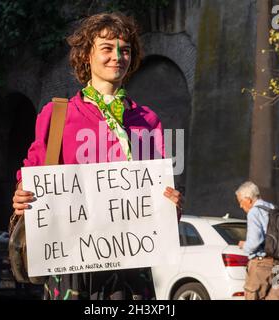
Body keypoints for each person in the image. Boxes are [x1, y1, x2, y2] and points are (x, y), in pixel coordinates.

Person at [12, 12, 183, 300]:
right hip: (70, 263)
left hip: (130, 263)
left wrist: (172, 205)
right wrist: (20, 195)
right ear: (86, 56)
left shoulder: (148, 120)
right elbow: (32, 174)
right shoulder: (57, 115)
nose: (117, 56)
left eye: (125, 49)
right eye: (106, 48)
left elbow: (156, 192)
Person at [235, 181, 279, 300]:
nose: (240, 206)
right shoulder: (272, 208)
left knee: (253, 296)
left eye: (241, 202)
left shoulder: (254, 212)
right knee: (277, 297)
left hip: (261, 266)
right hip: (278, 265)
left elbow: (255, 242)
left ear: (248, 199)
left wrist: (244, 245)